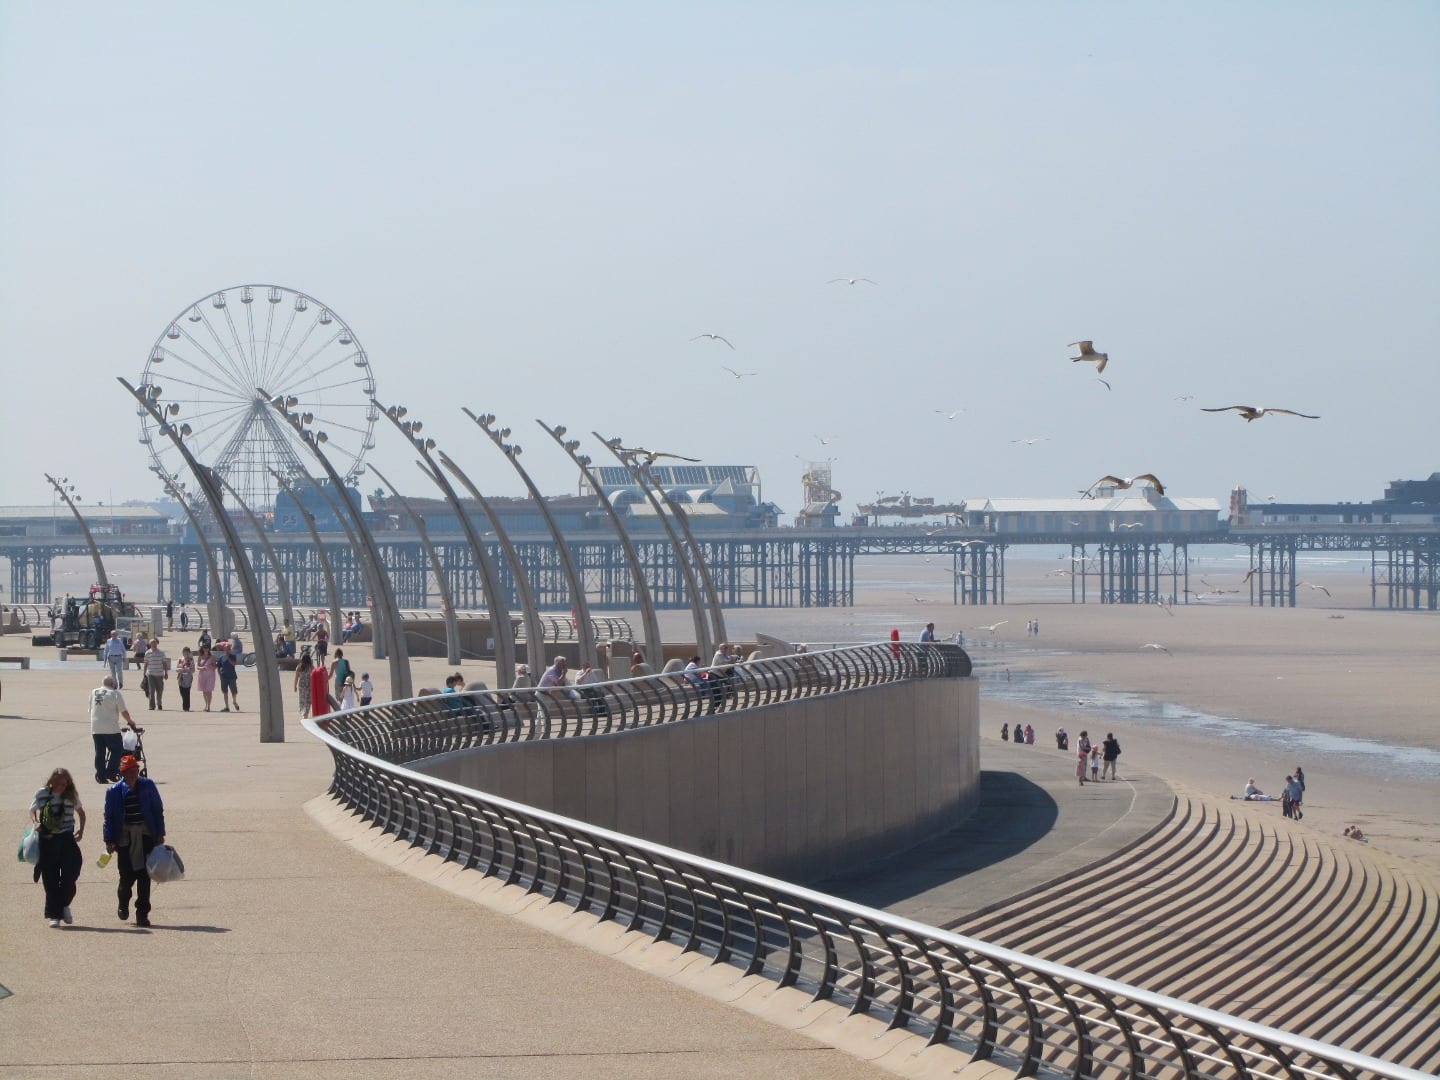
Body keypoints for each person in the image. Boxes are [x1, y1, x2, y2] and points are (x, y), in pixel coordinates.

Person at [103, 754, 166, 928]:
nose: (132, 774)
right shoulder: (113, 791)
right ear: (122, 774)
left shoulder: (148, 786)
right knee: (126, 878)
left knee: (145, 877)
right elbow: (108, 817)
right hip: (124, 839)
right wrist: (109, 840)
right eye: (128, 772)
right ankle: (123, 902)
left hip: (146, 836)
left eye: (135, 770)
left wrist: (160, 833)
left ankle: (142, 914)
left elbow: (157, 810)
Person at [31, 767, 86, 927]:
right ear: (52, 781)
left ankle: (64, 905)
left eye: (65, 783)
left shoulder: (71, 795)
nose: (62, 786)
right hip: (47, 839)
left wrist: (81, 831)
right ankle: (54, 915)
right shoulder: (42, 793)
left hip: (67, 839)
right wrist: (35, 822)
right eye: (59, 783)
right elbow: (32, 810)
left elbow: (81, 813)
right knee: (50, 879)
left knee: (71, 874)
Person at [89, 675, 135, 784]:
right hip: (111, 728)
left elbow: (90, 709)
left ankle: (100, 775)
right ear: (112, 684)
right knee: (117, 750)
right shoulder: (115, 693)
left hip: (96, 727)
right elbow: (123, 711)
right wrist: (130, 721)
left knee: (99, 752)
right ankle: (111, 771)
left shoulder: (93, 692)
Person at [143, 638, 168, 710]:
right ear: (150, 644)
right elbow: (146, 663)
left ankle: (159, 703)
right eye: (152, 643)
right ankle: (152, 706)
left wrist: (166, 673)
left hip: (159, 674)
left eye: (155, 643)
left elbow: (164, 663)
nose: (154, 644)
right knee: (151, 690)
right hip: (150, 674)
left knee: (160, 690)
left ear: (157, 644)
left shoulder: (161, 653)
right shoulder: (147, 653)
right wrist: (144, 673)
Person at [215, 644, 239, 712]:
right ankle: (227, 707)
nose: (227, 650)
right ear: (224, 650)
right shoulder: (221, 657)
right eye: (226, 649)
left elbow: (234, 664)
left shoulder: (233, 656)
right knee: (225, 691)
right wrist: (220, 675)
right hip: (224, 677)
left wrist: (228, 658)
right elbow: (218, 666)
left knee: (234, 691)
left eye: (229, 649)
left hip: (232, 677)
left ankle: (234, 701)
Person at [195, 642, 216, 711]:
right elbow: (197, 666)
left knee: (209, 690)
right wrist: (201, 668)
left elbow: (215, 666)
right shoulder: (200, 657)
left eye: (207, 648)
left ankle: (208, 706)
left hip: (210, 675)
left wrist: (211, 666)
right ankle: (206, 704)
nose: (206, 649)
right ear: (202, 649)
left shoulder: (212, 657)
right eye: (204, 648)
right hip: (202, 675)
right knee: (204, 691)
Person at [294, 650, 315, 718]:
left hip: (301, 686)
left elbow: (296, 678)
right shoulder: (311, 667)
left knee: (302, 700)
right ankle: (306, 712)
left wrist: (295, 686)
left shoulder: (299, 667)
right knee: (308, 701)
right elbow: (315, 675)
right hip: (309, 686)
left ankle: (303, 712)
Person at [175, 646, 195, 712]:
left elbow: (193, 670)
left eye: (187, 653)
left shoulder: (191, 660)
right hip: (181, 677)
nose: (186, 654)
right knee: (182, 692)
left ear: (189, 653)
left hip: (188, 678)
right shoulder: (180, 660)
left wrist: (188, 670)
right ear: (183, 653)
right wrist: (180, 669)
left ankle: (186, 707)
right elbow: (176, 669)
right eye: (185, 652)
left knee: (187, 692)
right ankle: (185, 704)